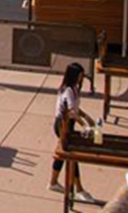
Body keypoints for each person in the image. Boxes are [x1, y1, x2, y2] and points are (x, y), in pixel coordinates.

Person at [49, 62, 97, 203]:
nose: (81, 79)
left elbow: (75, 109)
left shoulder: (74, 88)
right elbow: (70, 112)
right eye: (79, 76)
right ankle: (79, 189)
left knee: (62, 153)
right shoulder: (68, 90)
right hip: (63, 124)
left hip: (68, 124)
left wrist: (86, 116)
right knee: (72, 155)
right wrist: (84, 124)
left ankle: (53, 182)